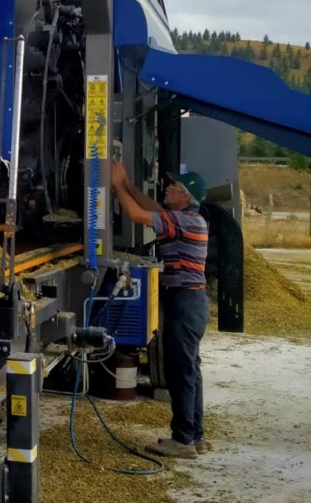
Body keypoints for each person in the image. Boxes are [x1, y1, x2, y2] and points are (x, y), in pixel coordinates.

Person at [110, 161, 209, 459]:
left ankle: (183, 440)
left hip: (185, 303)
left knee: (181, 371)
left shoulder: (187, 221)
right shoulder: (182, 218)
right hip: (189, 302)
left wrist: (116, 186)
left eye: (173, 187)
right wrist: (127, 184)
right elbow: (152, 207)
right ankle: (194, 435)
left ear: (185, 197)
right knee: (190, 369)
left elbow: (138, 214)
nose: (167, 188)